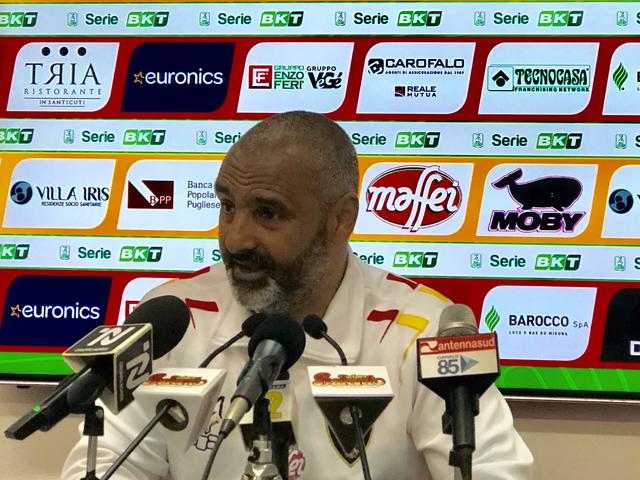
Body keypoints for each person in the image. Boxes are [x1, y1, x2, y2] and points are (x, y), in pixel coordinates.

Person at [62, 111, 533, 479]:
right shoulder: (174, 318)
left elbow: (493, 471)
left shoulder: (421, 331)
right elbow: (105, 462)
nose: (235, 238)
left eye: (268, 213)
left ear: (340, 219)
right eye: (228, 206)